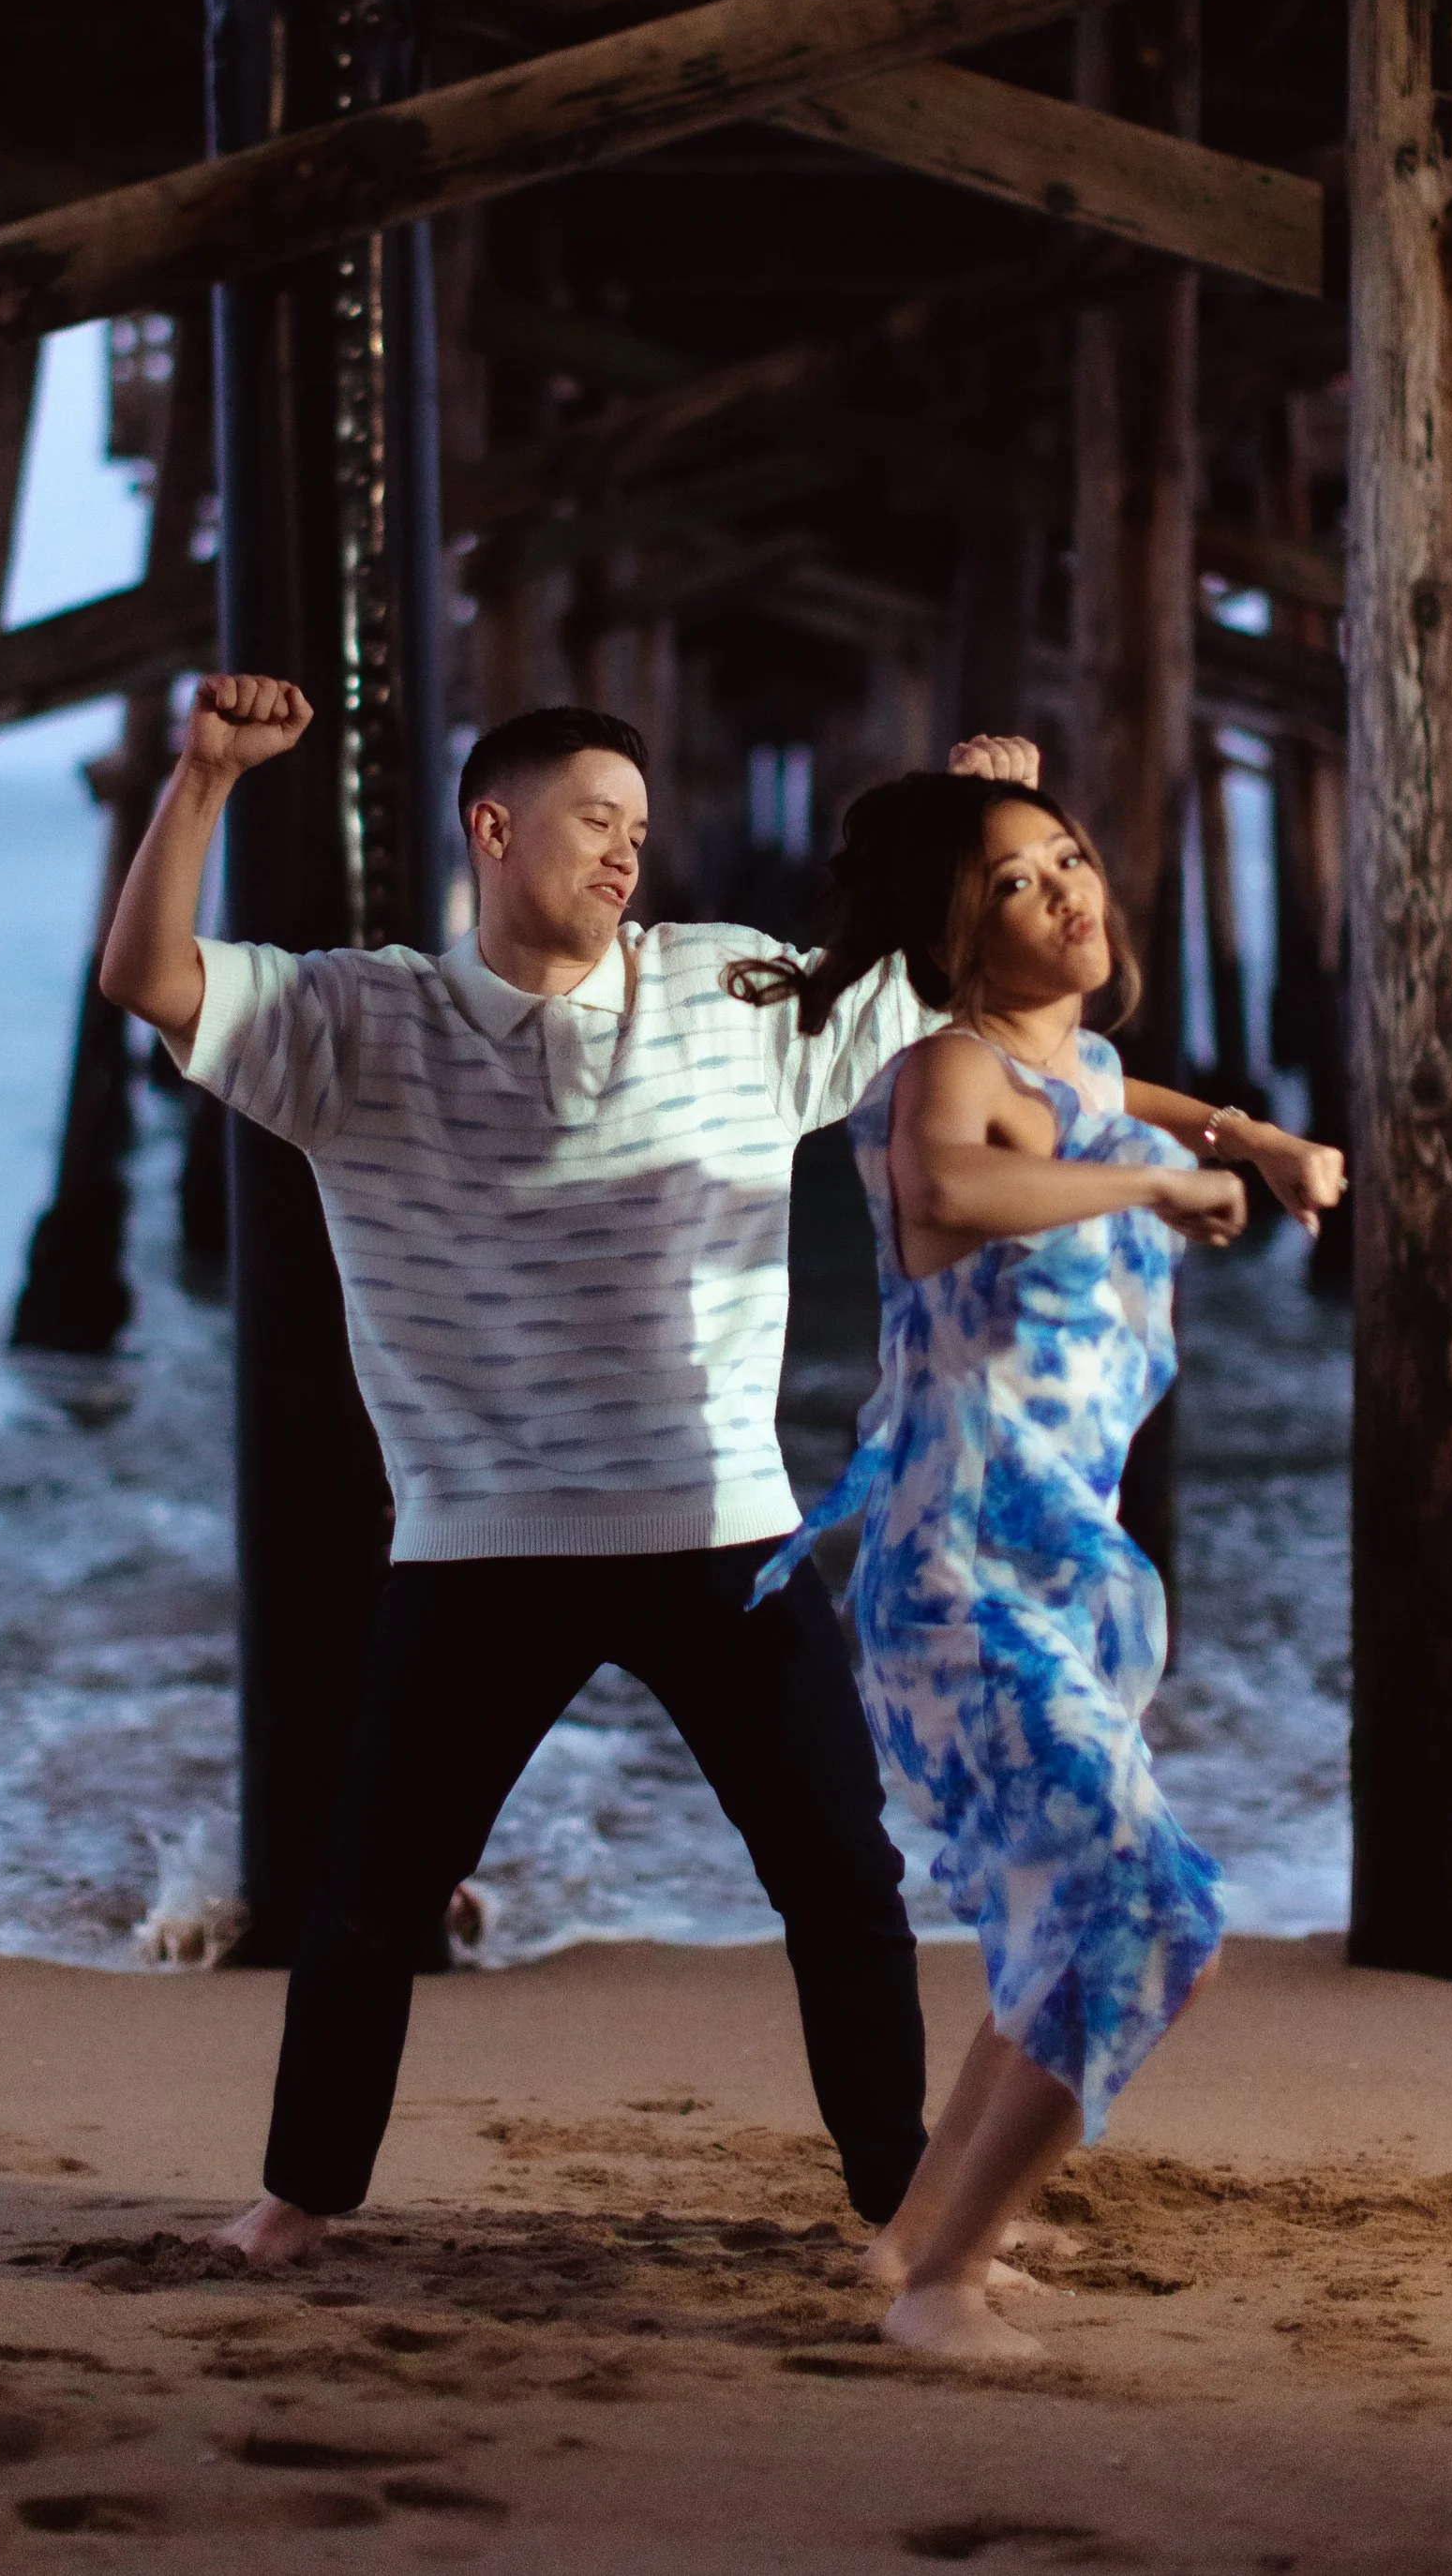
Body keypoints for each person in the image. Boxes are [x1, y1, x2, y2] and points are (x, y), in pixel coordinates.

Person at [98, 675, 1044, 2269]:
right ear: (495, 826)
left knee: (840, 1875)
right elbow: (149, 975)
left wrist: (980, 816)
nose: (626, 854)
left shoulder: (735, 989)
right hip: (482, 1535)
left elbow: (955, 972)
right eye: (596, 820)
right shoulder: (357, 1020)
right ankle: (299, 2198)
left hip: (721, 1525)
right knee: (375, 1894)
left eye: (642, 829)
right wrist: (202, 776)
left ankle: (904, 2197)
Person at [730, 771, 1345, 2363]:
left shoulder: (1089, 1069)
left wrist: (1258, 1138)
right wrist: (1156, 1181)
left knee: (1064, 1910)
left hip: (1064, 1568)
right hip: (958, 1569)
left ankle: (913, 2242)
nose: (1070, 888)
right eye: (1016, 880)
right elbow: (952, 1190)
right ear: (953, 927)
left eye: (1072, 856)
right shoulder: (944, 1071)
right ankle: (942, 2291)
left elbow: (1128, 1102)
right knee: (1151, 1917)